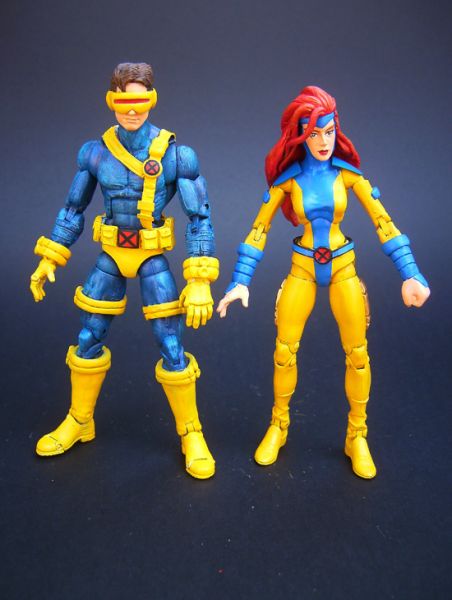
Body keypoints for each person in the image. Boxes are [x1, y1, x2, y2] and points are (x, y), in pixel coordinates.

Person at [217, 86, 430, 479]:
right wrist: (240, 280)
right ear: (300, 136)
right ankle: (279, 426)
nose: (323, 141)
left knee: (358, 354)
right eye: (313, 133)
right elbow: (258, 231)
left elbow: (384, 223)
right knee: (284, 351)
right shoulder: (288, 181)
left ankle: (357, 436)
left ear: (337, 130)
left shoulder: (349, 176)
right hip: (301, 268)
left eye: (329, 131)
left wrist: (410, 272)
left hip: (343, 267)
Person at [30, 62, 218, 479]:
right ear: (110, 100)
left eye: (140, 101)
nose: (132, 110)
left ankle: (191, 431)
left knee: (171, 343)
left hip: (152, 258)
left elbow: (200, 218)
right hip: (111, 257)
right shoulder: (95, 153)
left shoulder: (176, 154)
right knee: (88, 336)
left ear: (153, 100)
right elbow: (73, 208)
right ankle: (80, 420)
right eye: (123, 101)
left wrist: (199, 279)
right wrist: (50, 257)